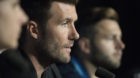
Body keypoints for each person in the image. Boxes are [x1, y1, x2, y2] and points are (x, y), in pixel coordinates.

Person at [0, 0, 79, 78]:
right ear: (34, 30)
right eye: (64, 23)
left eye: (74, 23)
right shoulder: (9, 72)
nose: (76, 35)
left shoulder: (51, 71)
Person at [58, 7, 125, 78]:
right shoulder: (63, 75)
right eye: (111, 38)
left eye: (119, 37)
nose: (121, 45)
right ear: (85, 46)